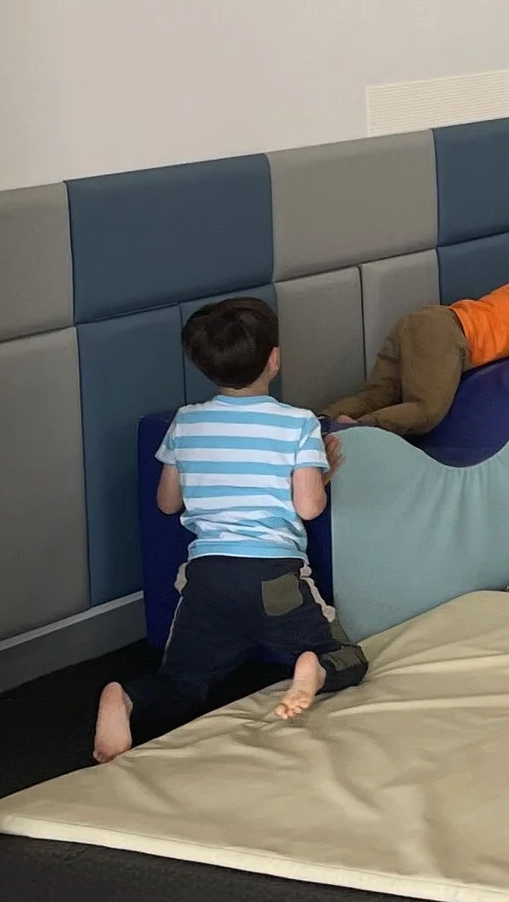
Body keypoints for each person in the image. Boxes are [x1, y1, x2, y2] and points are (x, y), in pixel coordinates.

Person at [95, 295, 366, 762]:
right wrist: (322, 475)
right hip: (274, 577)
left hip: (207, 578)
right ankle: (312, 668)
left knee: (181, 685)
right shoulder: (298, 424)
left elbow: (166, 503)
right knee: (348, 659)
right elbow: (308, 508)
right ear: (274, 359)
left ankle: (125, 699)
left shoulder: (184, 422)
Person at [321, 217, 509, 445]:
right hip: (448, 335)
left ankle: (319, 423)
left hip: (424, 320)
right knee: (426, 411)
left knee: (378, 395)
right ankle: (353, 431)